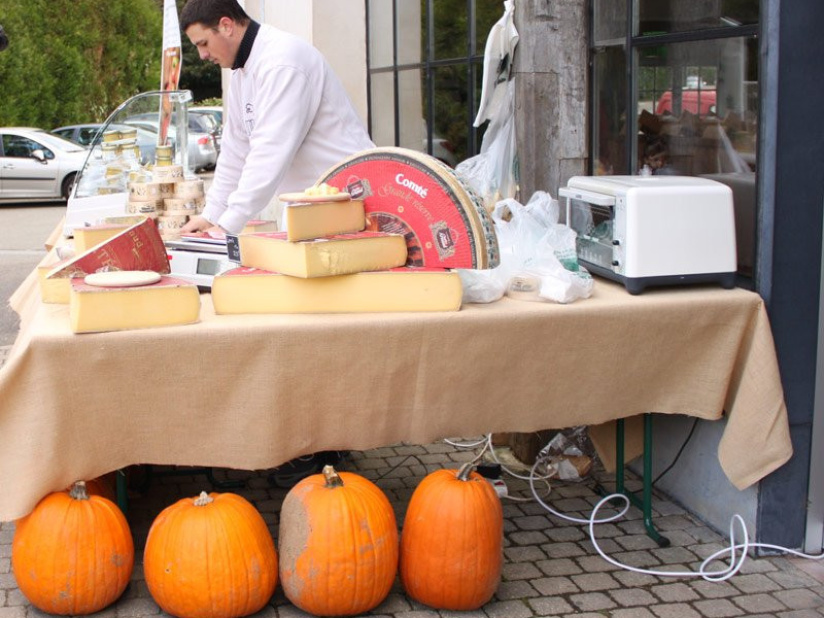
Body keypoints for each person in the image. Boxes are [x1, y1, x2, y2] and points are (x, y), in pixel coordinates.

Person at [179, 0, 374, 235]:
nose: (202, 55)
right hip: (312, 212)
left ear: (226, 25)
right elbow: (235, 151)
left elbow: (269, 151)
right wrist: (211, 215)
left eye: (204, 43)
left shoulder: (283, 61)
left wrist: (228, 224)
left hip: (351, 203)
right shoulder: (243, 72)